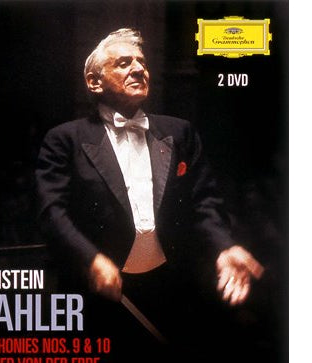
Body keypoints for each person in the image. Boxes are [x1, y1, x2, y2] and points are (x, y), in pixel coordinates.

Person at [35, 28, 263, 333]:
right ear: (94, 82)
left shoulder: (179, 132)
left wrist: (223, 247)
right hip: (98, 292)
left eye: (142, 62)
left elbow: (204, 202)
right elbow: (52, 213)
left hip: (172, 287)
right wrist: (91, 260)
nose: (138, 69)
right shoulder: (65, 139)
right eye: (124, 63)